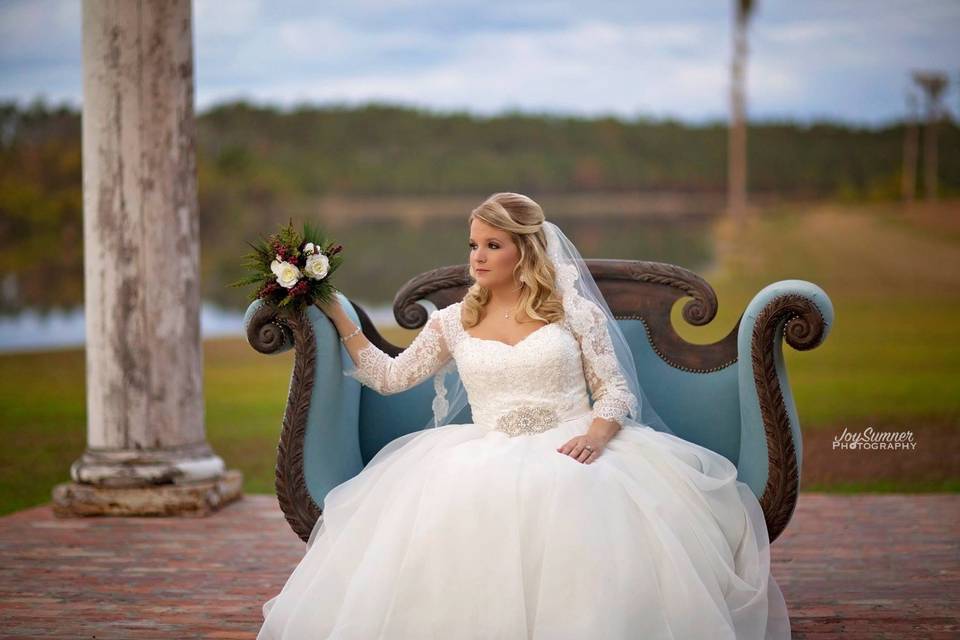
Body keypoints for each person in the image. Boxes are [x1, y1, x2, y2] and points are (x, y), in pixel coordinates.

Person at [257, 193, 791, 639]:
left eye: (493, 245)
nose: (478, 257)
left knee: (573, 494)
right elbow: (391, 376)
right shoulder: (453, 322)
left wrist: (597, 436)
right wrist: (336, 312)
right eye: (473, 245)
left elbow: (615, 392)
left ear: (525, 250)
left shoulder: (571, 311)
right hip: (483, 448)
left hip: (576, 443)